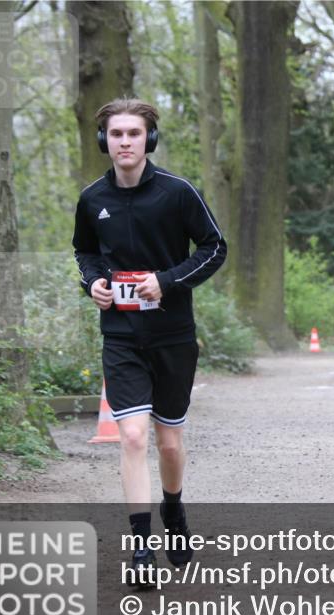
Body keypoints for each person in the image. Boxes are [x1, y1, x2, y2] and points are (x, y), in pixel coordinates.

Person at [72, 98, 226, 582]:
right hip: (120, 334)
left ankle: (174, 509)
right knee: (133, 436)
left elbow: (215, 247)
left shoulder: (178, 193)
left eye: (133, 134)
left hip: (173, 335)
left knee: (169, 444)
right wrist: (93, 283)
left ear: (149, 139)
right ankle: (141, 547)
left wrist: (168, 280)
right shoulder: (92, 198)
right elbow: (85, 251)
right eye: (115, 134)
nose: (124, 142)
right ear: (104, 141)